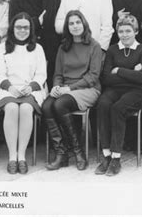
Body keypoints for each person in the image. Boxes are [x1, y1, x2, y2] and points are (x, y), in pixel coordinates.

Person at [43, 10, 102, 171]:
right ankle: (61, 153)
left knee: (60, 104)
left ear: (84, 24)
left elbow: (93, 76)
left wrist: (69, 88)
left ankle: (78, 152)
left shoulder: (94, 46)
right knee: (47, 106)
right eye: (71, 23)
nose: (75, 26)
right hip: (65, 89)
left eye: (77, 22)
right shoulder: (63, 47)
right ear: (67, 27)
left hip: (88, 89)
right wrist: (56, 86)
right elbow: (58, 74)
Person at [95, 15, 142, 176]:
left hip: (137, 92)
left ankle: (116, 158)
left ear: (136, 32)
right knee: (103, 104)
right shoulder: (112, 50)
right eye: (121, 31)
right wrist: (133, 71)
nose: (124, 35)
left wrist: (119, 70)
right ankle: (106, 155)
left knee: (118, 108)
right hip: (114, 89)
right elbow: (105, 78)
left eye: (128, 31)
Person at [0, 13, 47, 174]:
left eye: (26, 27)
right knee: (11, 108)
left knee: (25, 109)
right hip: (8, 89)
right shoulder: (2, 47)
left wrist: (31, 87)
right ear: (12, 28)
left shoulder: (37, 48)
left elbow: (41, 74)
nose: (22, 30)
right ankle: (12, 157)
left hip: (31, 90)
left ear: (30, 30)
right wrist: (9, 87)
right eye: (18, 27)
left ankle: (22, 156)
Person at [9, 0, 61, 90]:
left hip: (51, 49)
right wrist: (36, 22)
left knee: (50, 84)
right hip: (27, 48)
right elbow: (13, 24)